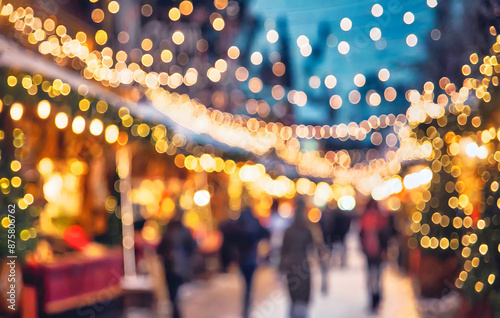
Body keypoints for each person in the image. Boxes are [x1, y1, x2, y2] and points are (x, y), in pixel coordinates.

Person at [219, 207, 269, 318]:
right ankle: (247, 301)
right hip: (251, 260)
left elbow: (230, 237)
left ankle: (246, 302)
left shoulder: (239, 225)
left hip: (243, 260)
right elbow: (265, 233)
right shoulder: (254, 224)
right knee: (249, 283)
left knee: (246, 283)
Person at [157, 209, 197, 318]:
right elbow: (192, 247)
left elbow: (192, 247)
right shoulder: (176, 230)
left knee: (174, 293)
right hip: (174, 266)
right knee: (174, 293)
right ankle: (176, 312)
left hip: (174, 266)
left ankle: (176, 313)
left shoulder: (171, 230)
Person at [279, 198, 316, 318]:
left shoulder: (289, 231)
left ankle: (294, 314)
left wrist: (281, 268)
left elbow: (283, 250)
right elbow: (312, 248)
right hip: (302, 265)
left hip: (291, 265)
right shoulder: (307, 230)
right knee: (302, 295)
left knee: (294, 295)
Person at [359, 199, 390, 311]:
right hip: (374, 252)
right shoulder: (380, 217)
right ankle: (376, 297)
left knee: (373, 275)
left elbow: (361, 234)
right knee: (376, 275)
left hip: (372, 252)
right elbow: (386, 235)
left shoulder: (366, 217)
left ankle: (374, 297)